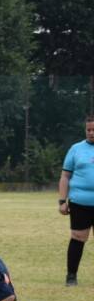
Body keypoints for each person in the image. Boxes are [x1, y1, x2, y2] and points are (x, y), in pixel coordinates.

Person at [58, 114, 94, 286]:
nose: (91, 133)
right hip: (80, 202)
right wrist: (62, 201)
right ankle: (71, 276)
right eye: (88, 130)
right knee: (78, 238)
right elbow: (65, 176)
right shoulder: (76, 149)